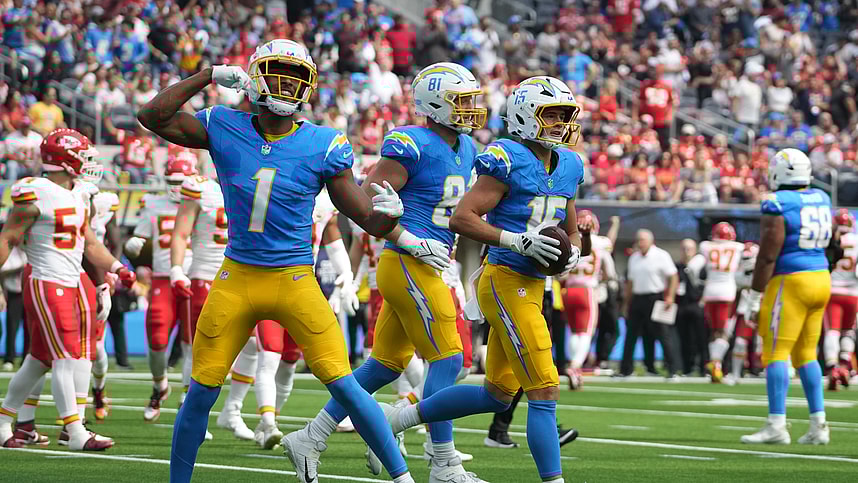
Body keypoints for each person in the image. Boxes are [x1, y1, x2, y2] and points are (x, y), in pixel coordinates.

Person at [137, 38, 414, 483]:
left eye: (296, 76)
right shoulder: (224, 124)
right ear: (255, 77)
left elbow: (362, 216)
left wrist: (390, 217)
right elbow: (152, 116)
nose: (287, 85)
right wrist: (207, 75)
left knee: (345, 385)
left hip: (294, 278)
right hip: (237, 275)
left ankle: (403, 478)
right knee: (201, 392)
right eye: (277, 73)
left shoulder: (324, 142)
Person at [283, 61, 485, 483]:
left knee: (384, 366)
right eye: (460, 100)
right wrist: (408, 235)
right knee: (449, 357)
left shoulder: (466, 147)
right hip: (407, 261)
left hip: (432, 262)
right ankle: (443, 461)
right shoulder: (410, 143)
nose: (469, 109)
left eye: (471, 100)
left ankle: (310, 436)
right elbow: (365, 202)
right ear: (434, 102)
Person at [378, 76, 586, 483]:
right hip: (505, 279)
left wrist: (575, 250)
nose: (561, 123)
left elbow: (571, 227)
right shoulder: (507, 157)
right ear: (527, 116)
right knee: (544, 390)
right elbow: (462, 216)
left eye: (566, 115)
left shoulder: (570, 165)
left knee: (497, 395)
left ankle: (397, 420)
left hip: (534, 286)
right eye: (552, 114)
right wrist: (516, 240)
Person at [0, 129, 136, 450]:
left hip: (70, 280)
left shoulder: (79, 193)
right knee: (66, 355)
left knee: (38, 359)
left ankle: (4, 422)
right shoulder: (36, 192)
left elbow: (89, 242)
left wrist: (118, 267)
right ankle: (75, 433)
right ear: (66, 158)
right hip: (46, 281)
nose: (88, 160)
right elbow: (7, 238)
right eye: (83, 154)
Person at [740, 148, 831, 445]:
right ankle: (819, 424)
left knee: (776, 352)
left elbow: (768, 254)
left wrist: (754, 296)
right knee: (806, 353)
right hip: (821, 278)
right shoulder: (823, 197)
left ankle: (776, 424)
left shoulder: (777, 202)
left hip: (790, 281)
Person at [124, 155, 197, 424]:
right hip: (164, 278)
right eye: (171, 181)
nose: (175, 187)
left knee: (192, 342)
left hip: (194, 276)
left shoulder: (206, 199)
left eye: (180, 181)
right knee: (156, 337)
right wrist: (135, 245)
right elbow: (141, 239)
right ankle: (159, 386)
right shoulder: (153, 204)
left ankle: (186, 399)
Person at [562, 210, 612, 389]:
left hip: (568, 290)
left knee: (574, 331)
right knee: (586, 332)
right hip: (587, 290)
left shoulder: (569, 241)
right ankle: (576, 366)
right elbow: (608, 271)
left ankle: (574, 364)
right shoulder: (601, 243)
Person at [620, 229, 680, 378]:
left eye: (642, 240)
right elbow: (630, 283)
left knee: (662, 334)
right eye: (638, 240)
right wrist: (626, 303)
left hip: (655, 297)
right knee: (631, 335)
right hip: (638, 298)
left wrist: (670, 297)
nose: (640, 243)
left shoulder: (661, 255)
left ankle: (672, 369)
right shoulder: (634, 257)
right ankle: (626, 369)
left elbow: (673, 277)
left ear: (650, 241)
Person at [699, 222, 745, 383]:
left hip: (710, 290)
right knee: (724, 331)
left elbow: (695, 270)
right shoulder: (738, 247)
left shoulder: (705, 246)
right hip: (728, 291)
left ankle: (714, 362)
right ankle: (716, 364)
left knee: (714, 331)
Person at [824, 209, 857, 391]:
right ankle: (845, 364)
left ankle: (832, 368)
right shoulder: (857, 241)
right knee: (848, 331)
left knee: (832, 331)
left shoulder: (830, 238)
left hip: (833, 291)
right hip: (853, 293)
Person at [727, 242, 760, 384]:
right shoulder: (738, 273)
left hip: (766, 308)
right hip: (747, 310)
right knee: (740, 342)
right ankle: (735, 373)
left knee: (770, 343)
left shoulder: (767, 269)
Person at [675, 238, 707, 376]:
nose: (686, 251)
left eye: (689, 248)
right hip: (681, 306)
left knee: (701, 338)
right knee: (684, 338)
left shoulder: (701, 267)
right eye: (684, 248)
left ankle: (704, 367)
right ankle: (687, 367)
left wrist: (704, 300)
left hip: (697, 305)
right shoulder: (676, 267)